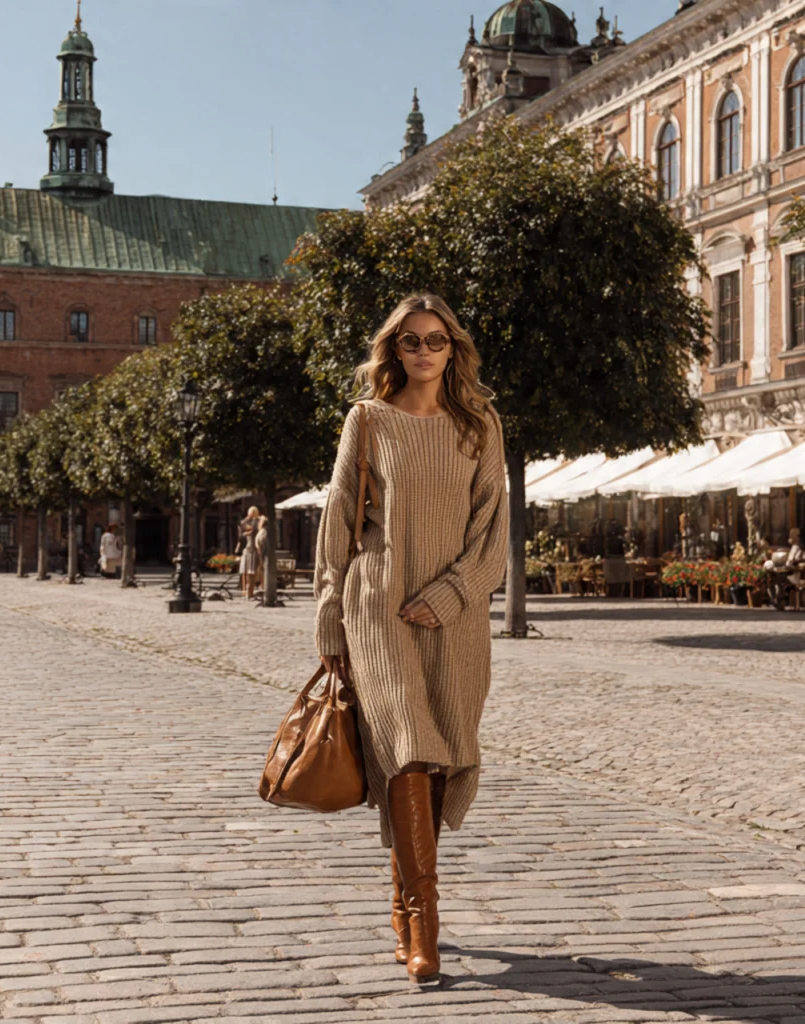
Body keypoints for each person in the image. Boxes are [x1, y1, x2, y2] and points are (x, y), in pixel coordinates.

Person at [314, 293, 509, 983]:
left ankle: (402, 906)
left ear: (453, 349)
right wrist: (330, 616)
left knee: (437, 761)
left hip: (454, 619)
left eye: (436, 340)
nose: (423, 351)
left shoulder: (480, 425)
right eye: (410, 341)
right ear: (392, 351)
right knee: (408, 752)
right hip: (379, 608)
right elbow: (338, 522)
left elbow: (493, 534)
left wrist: (453, 592)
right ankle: (423, 922)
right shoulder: (366, 421)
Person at [237, 509, 260, 600]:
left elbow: (253, 530)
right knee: (246, 571)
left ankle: (249, 591)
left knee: (250, 572)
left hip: (252, 549)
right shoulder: (250, 523)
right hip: (249, 550)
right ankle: (246, 591)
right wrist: (248, 518)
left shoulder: (256, 523)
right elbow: (242, 525)